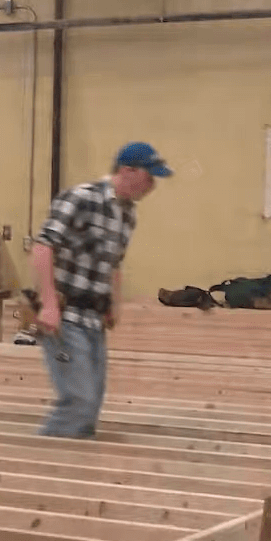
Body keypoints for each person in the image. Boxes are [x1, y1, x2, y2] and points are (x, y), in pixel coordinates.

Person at [30, 141, 169, 438]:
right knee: (79, 401)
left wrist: (113, 304)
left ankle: (71, 463)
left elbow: (114, 264)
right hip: (65, 318)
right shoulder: (80, 198)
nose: (152, 186)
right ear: (128, 171)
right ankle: (44, 457)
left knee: (90, 407)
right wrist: (49, 304)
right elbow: (43, 247)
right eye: (149, 177)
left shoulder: (128, 214)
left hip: (93, 320)